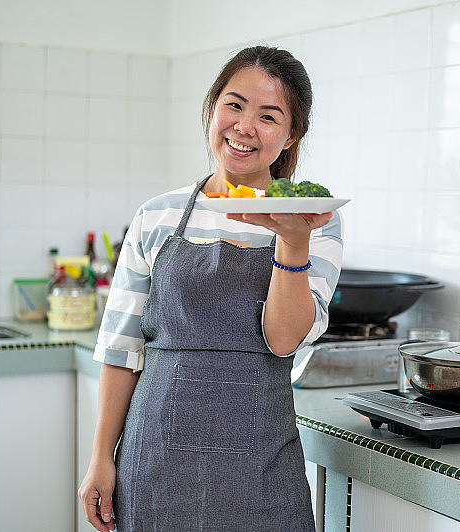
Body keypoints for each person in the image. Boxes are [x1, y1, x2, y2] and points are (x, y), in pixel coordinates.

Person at [78, 46, 344, 531]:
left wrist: (293, 241)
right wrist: (100, 457)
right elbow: (122, 347)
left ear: (291, 135)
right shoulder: (156, 215)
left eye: (269, 116)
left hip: (261, 468)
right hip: (153, 462)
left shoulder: (313, 219)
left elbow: (284, 339)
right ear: (213, 107)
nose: (244, 126)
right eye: (234, 105)